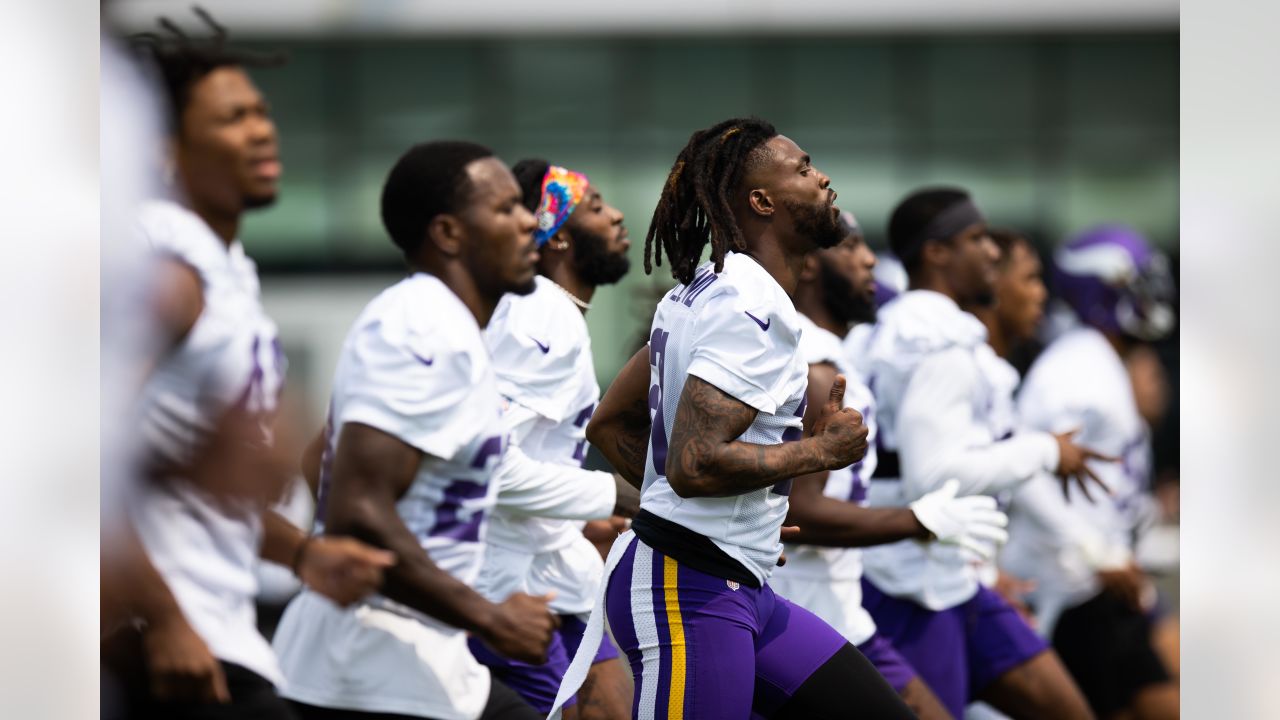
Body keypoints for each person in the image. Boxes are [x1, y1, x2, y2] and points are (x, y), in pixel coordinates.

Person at [561, 117, 916, 719]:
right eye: (803, 169)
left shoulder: (711, 290)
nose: (823, 178)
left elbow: (610, 423)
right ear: (762, 201)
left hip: (736, 582)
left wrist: (735, 517)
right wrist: (822, 452)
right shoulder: (746, 307)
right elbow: (695, 463)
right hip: (685, 589)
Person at [107, 11, 393, 719]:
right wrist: (165, 621)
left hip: (214, 635)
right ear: (166, 152)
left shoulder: (223, 265)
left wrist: (304, 555)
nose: (262, 130)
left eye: (261, 112)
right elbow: (71, 444)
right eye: (232, 119)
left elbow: (180, 478)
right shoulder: (171, 265)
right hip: (170, 645)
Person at [272, 140, 615, 720]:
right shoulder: (419, 325)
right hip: (365, 669)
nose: (531, 220)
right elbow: (356, 509)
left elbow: (323, 460)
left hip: (427, 657)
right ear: (449, 235)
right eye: (505, 209)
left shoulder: (457, 330)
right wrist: (489, 615)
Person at [858, 187, 1105, 720]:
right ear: (936, 252)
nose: (992, 251)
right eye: (975, 238)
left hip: (948, 574)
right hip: (909, 583)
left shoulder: (910, 328)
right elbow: (933, 477)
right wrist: (1043, 449)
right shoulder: (937, 339)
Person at [769, 211, 1008, 720]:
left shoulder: (835, 356)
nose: (869, 259)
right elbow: (800, 515)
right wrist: (916, 521)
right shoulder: (814, 370)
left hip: (840, 609)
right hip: (797, 614)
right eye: (850, 248)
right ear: (808, 264)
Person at [470, 160, 637, 719]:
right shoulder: (540, 313)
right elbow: (491, 466)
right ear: (557, 235)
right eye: (594, 207)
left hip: (552, 568)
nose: (616, 216)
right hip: (507, 583)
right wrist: (615, 494)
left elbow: (534, 455)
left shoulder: (550, 312)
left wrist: (582, 516)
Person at [1000, 225, 1179, 719]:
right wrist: (1095, 548)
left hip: (1096, 582)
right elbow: (1026, 467)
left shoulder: (1102, 361)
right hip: (1064, 585)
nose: (1152, 295)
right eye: (1136, 283)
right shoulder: (1076, 368)